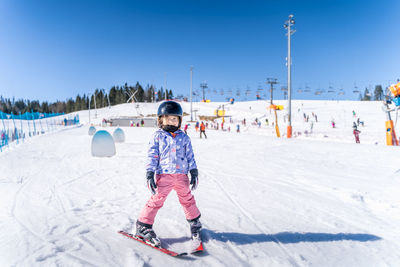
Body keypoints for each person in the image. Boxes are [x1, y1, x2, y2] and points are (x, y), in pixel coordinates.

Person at [135, 101, 201, 247]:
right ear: (161, 119)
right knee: (157, 199)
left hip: (182, 176)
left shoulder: (184, 137)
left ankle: (195, 222)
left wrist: (194, 171)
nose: (172, 121)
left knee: (187, 199)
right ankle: (143, 226)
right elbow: (152, 155)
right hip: (163, 176)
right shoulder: (157, 136)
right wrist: (150, 172)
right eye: (168, 118)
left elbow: (190, 156)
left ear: (179, 121)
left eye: (175, 119)